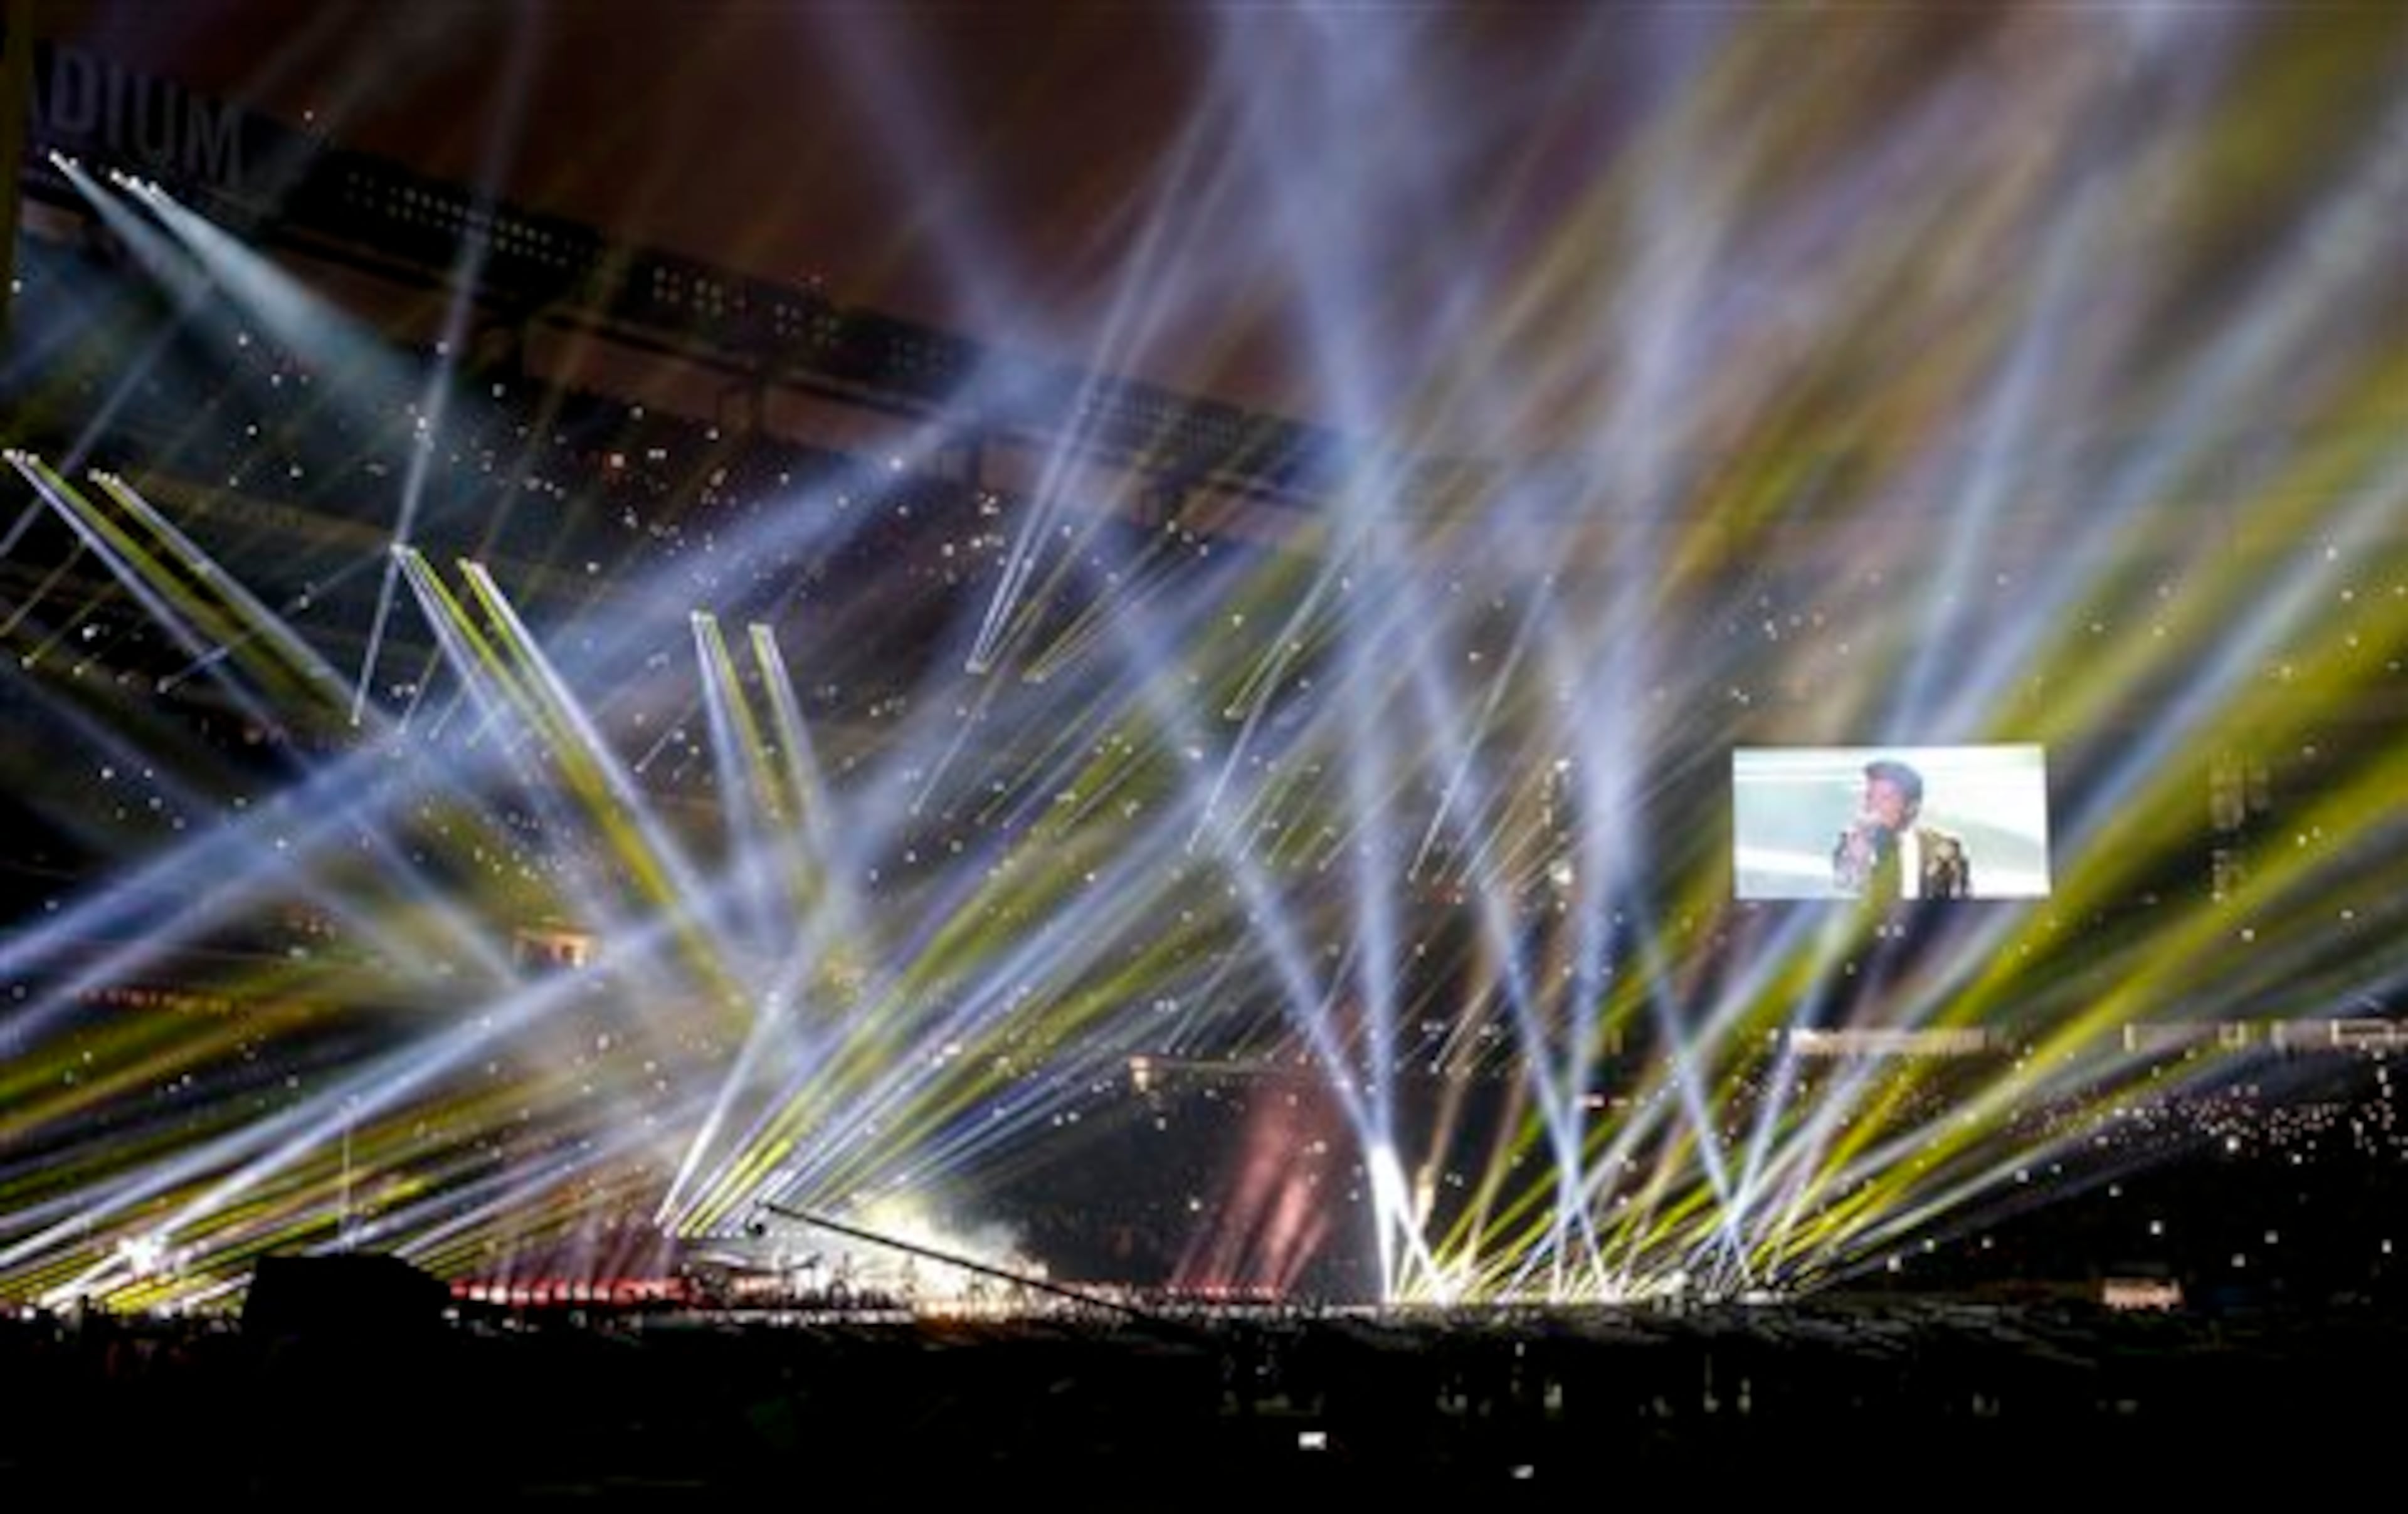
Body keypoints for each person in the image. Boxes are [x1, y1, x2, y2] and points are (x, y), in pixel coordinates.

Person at [1832, 757, 1970, 900]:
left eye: (1885, 798)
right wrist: (1860, 842)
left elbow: (1960, 906)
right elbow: (1844, 892)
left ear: (1911, 807)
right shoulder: (1849, 844)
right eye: (1870, 797)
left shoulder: (1943, 850)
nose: (1872, 807)